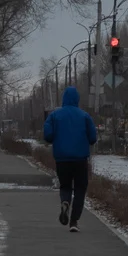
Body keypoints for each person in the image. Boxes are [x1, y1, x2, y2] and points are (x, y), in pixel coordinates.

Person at [43, 86, 97, 233]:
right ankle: (74, 221)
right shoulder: (84, 116)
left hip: (62, 159)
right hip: (80, 159)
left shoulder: (54, 115)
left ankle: (65, 202)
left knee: (65, 186)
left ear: (64, 99)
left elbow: (47, 135)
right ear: (77, 100)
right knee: (80, 188)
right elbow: (93, 138)